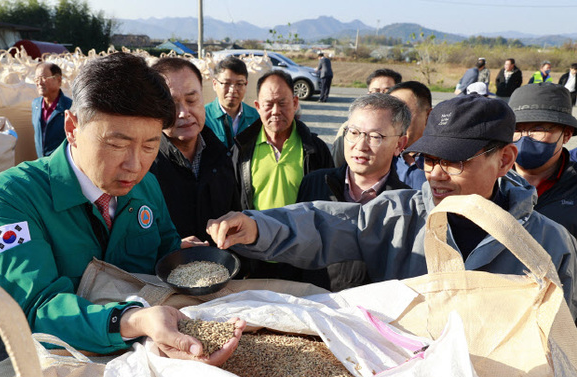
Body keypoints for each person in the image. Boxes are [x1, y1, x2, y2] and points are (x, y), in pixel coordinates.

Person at [207, 94, 577, 321]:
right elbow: (327, 223)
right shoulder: (399, 215)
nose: (436, 175)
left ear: (505, 159)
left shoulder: (548, 243)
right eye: (429, 160)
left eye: (454, 162)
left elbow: (563, 336)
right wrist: (257, 227)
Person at [0, 52, 244, 360]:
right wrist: (133, 320)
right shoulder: (10, 197)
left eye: (150, 145)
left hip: (151, 350)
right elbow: (36, 310)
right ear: (72, 127)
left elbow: (165, 257)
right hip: (66, 364)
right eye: (117, 144)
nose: (134, 165)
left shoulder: (146, 186)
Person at [293, 94, 410, 290]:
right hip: (312, 304)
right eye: (354, 132)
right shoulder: (315, 183)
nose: (360, 146)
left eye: (375, 137)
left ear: (399, 144)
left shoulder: (407, 205)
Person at [232, 69, 333, 277]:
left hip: (302, 257)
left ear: (295, 103)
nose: (276, 111)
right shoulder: (241, 150)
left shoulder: (315, 149)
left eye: (283, 103)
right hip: (256, 257)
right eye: (268, 104)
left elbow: (330, 205)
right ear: (258, 107)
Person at [150, 57, 241, 243]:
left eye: (192, 100)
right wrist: (171, 249)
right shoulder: (145, 166)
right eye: (172, 105)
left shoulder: (222, 155)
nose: (184, 112)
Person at [509, 83, 577, 238]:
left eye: (538, 129)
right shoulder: (487, 179)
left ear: (566, 135)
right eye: (516, 129)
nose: (525, 137)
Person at [330, 68, 404, 166]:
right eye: (376, 91)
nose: (381, 96)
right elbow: (335, 165)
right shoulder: (348, 128)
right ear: (368, 94)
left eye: (387, 91)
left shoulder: (404, 128)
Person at [204, 56, 259, 148]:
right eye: (226, 83)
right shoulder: (203, 117)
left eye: (239, 84)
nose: (233, 90)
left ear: (246, 85)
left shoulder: (256, 118)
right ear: (214, 84)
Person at [387, 81, 431, 189]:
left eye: (403, 113)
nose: (395, 121)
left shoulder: (446, 160)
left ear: (428, 116)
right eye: (390, 114)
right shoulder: (378, 156)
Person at [31, 62, 72, 158]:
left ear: (58, 80)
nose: (39, 83)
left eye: (44, 78)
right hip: (42, 163)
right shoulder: (35, 104)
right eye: (37, 79)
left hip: (61, 163)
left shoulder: (70, 107)